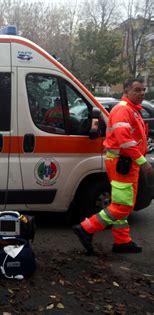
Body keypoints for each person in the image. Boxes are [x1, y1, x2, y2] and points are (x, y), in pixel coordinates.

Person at [73, 78, 152, 254]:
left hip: (126, 164)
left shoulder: (132, 110)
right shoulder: (123, 110)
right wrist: (143, 162)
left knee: (123, 204)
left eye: (143, 90)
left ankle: (122, 241)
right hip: (122, 164)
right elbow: (125, 141)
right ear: (126, 90)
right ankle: (86, 228)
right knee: (122, 206)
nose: (141, 93)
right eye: (137, 90)